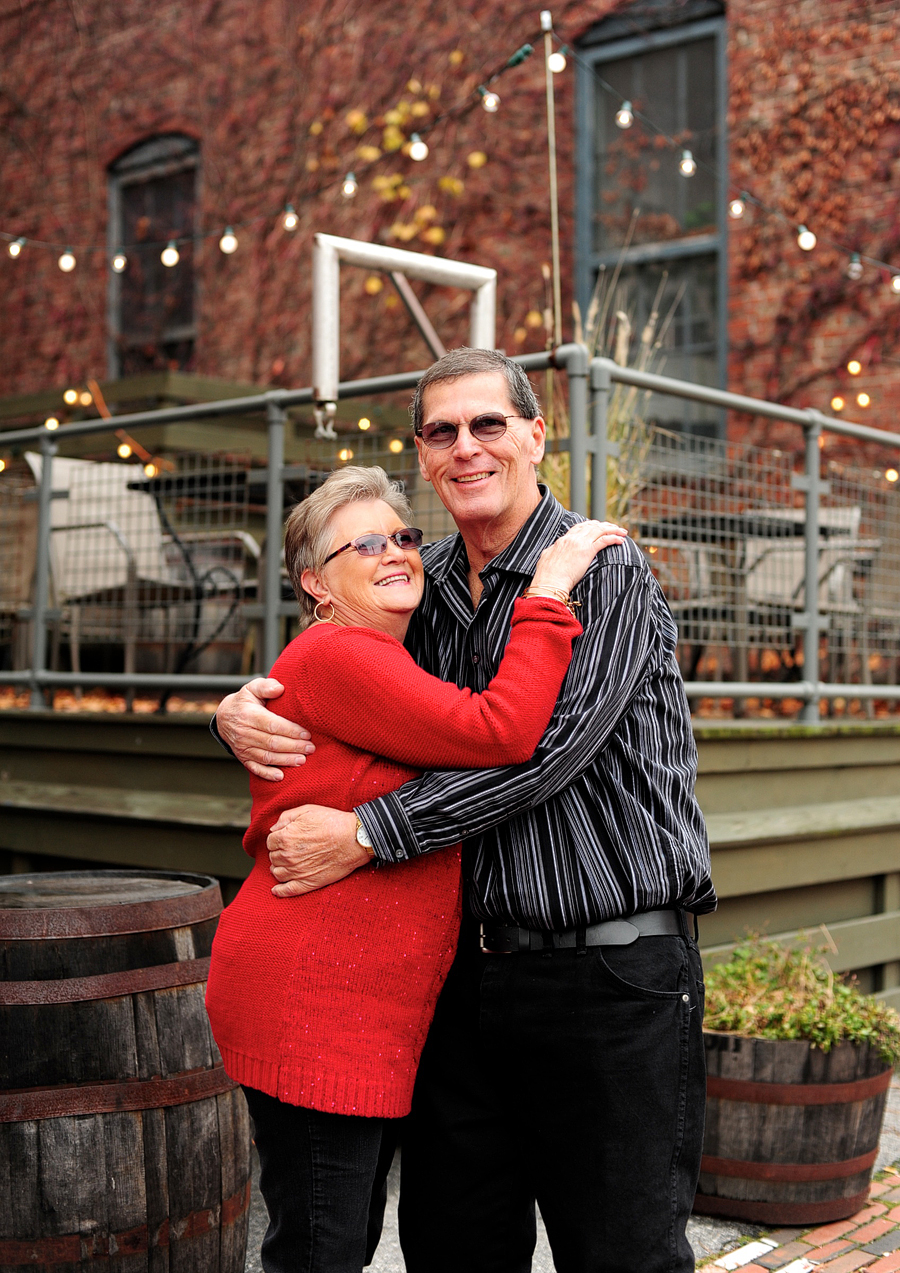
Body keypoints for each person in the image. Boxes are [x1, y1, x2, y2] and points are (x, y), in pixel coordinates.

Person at [214, 348, 716, 1273]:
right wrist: (242, 706)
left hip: (609, 974)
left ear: (534, 435)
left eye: (488, 424)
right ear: (423, 455)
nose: (467, 448)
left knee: (622, 1253)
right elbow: (340, 675)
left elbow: (542, 752)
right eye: (442, 432)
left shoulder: (601, 569)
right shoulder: (418, 578)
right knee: (453, 1246)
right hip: (462, 986)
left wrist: (371, 832)